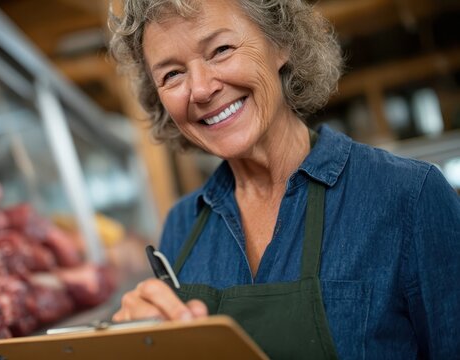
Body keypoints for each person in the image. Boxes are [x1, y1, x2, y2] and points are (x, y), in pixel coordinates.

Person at [108, 0, 460, 358]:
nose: (199, 89)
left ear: (281, 43)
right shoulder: (183, 226)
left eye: (221, 50)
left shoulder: (409, 197)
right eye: (172, 74)